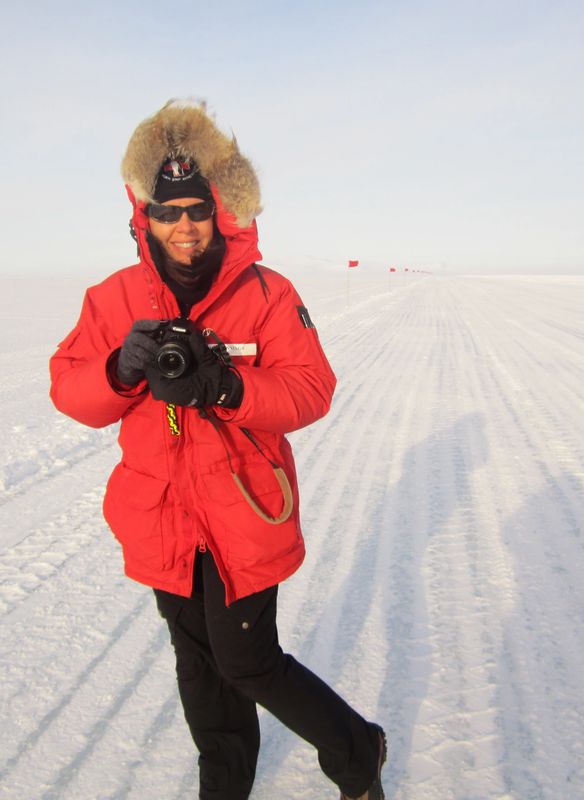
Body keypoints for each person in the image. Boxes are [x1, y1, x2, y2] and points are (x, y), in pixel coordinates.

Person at [49, 99, 386, 800]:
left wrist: (229, 387)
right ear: (146, 216)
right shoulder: (112, 298)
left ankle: (357, 752)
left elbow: (311, 389)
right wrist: (119, 368)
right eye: (169, 211)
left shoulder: (265, 293)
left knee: (249, 662)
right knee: (198, 664)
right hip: (161, 516)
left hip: (241, 511)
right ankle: (223, 788)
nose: (184, 226)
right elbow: (69, 391)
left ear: (220, 212)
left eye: (197, 210)